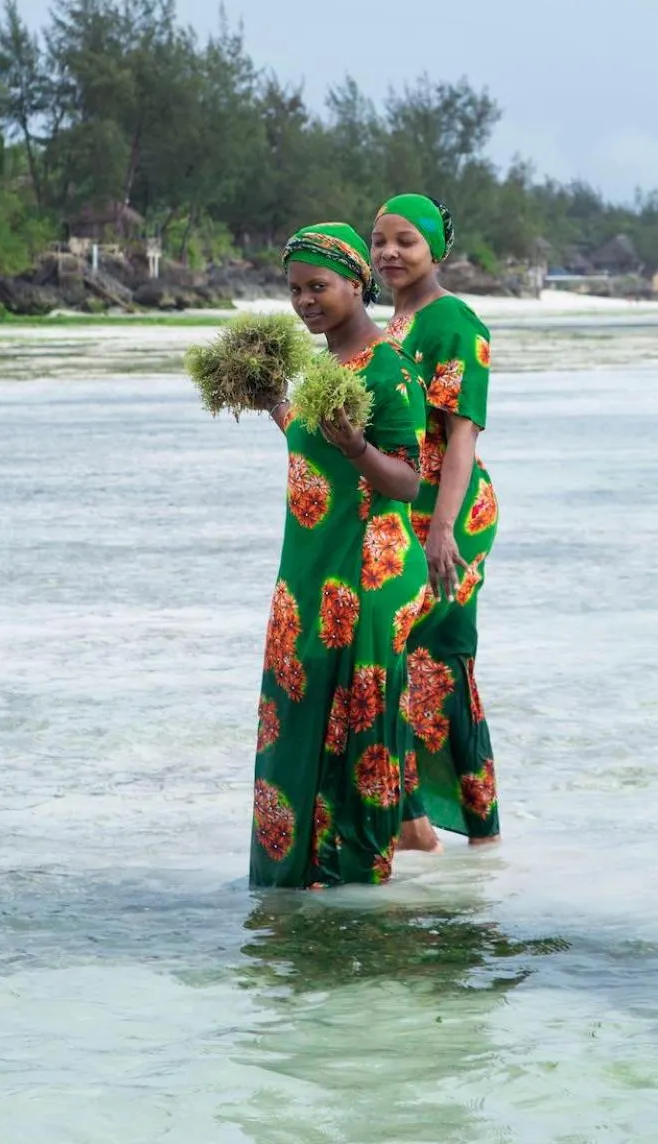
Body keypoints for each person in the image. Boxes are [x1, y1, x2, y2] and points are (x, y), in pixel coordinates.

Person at [250, 223, 429, 889]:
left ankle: (351, 891)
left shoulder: (388, 367)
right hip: (309, 570)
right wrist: (276, 404)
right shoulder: (327, 368)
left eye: (318, 287)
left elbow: (408, 480)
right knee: (298, 718)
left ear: (358, 284)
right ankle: (298, 883)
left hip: (363, 575)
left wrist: (357, 446)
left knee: (352, 730)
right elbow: (313, 448)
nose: (305, 301)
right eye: (295, 290)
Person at [370, 194, 500, 847]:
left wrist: (442, 528)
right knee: (403, 658)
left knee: (432, 659)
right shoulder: (390, 325)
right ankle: (426, 823)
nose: (389, 253)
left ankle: (446, 827)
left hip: (451, 514)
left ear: (436, 251)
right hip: (402, 511)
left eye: (406, 242)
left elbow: (461, 438)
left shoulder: (455, 322)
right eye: (379, 242)